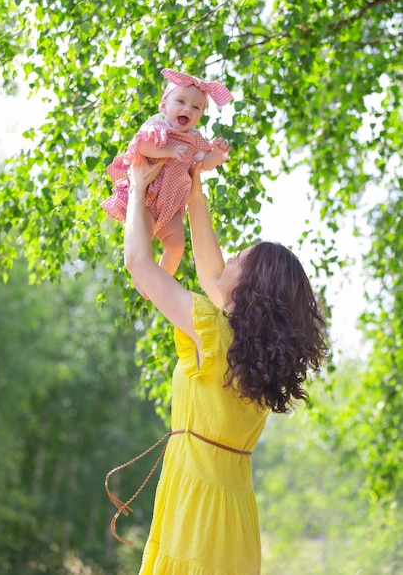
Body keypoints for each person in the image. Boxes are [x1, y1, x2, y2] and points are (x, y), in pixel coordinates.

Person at [107, 153, 330, 575]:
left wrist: (137, 187)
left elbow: (138, 264)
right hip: (236, 517)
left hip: (195, 513)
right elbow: (213, 276)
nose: (225, 262)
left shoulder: (211, 329)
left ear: (248, 287)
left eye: (236, 260)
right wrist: (194, 193)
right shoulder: (259, 354)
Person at [101, 68, 233, 278]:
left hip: (171, 206)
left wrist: (216, 154)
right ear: (164, 105)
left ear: (200, 115)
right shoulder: (158, 126)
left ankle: (162, 280)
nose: (188, 109)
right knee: (142, 242)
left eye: (196, 107)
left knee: (177, 245)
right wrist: (169, 151)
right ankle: (142, 277)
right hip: (147, 198)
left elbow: (204, 164)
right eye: (180, 102)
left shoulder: (194, 138)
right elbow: (141, 147)